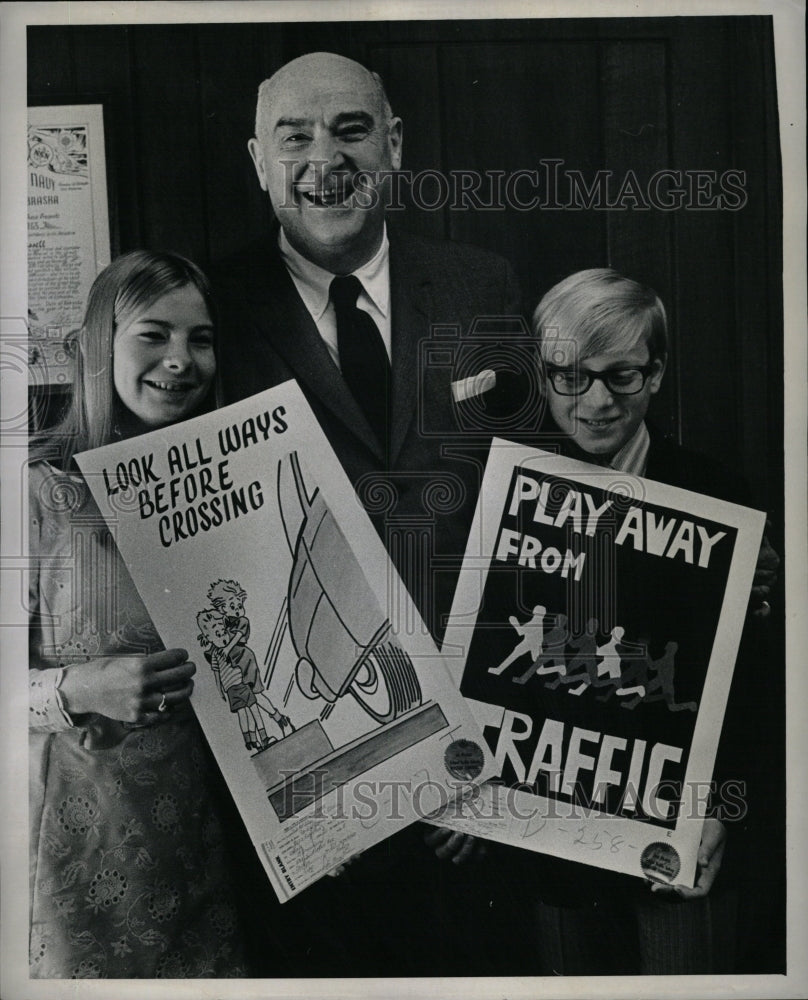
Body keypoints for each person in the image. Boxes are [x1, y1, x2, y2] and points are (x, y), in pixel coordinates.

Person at [210, 51, 530, 976]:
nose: (326, 159)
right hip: (311, 802)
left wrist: (486, 732)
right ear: (257, 161)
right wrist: (312, 794)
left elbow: (529, 508)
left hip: (473, 783)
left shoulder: (479, 287)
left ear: (392, 146)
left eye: (352, 130)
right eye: (294, 136)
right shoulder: (209, 310)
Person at [525, 267, 779, 974]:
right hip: (557, 841)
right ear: (544, 377)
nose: (596, 401)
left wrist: (724, 809)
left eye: (622, 376)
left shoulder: (717, 496)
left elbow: (750, 691)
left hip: (680, 832)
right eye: (569, 377)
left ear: (657, 374)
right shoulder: (515, 495)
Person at [28, 251, 248, 978]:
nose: (181, 361)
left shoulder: (226, 496)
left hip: (198, 839)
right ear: (98, 346)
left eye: (200, 339)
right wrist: (76, 690)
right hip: (70, 848)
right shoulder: (34, 495)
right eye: (152, 335)